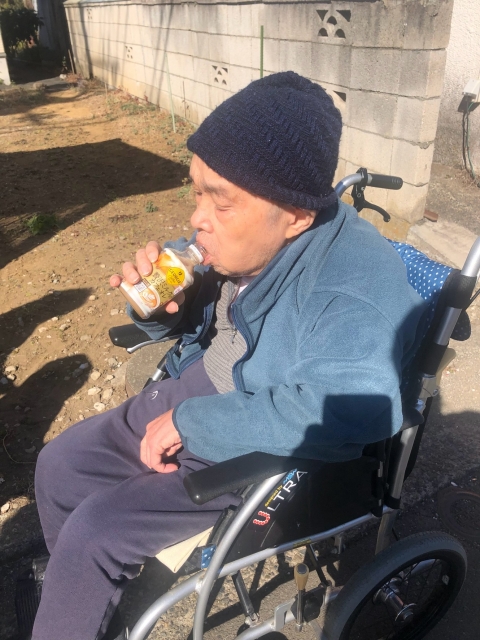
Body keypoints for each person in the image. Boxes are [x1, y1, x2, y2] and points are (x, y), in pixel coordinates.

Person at [32, 71, 426, 640]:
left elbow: (356, 407)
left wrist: (193, 423)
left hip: (259, 441)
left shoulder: (352, 289)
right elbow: (208, 315)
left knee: (96, 530)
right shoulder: (251, 238)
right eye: (197, 191)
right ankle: (81, 599)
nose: (198, 218)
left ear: (297, 215)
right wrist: (163, 306)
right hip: (199, 388)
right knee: (59, 466)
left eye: (221, 201)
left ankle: (80, 591)